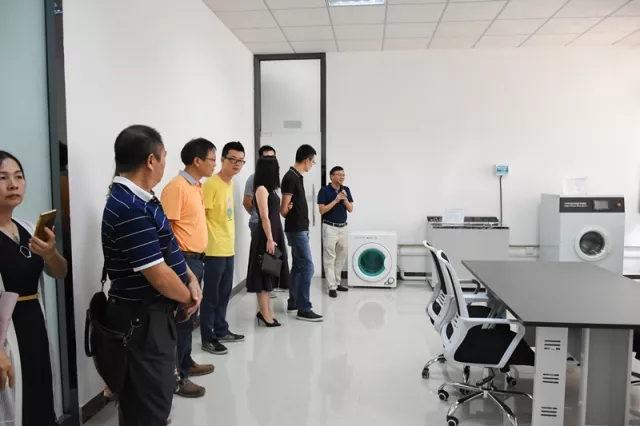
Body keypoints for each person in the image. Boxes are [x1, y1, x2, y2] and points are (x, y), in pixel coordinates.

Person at [101, 125, 201, 426]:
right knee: (147, 408)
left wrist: (190, 278)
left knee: (155, 398)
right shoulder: (130, 208)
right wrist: (189, 298)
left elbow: (168, 246)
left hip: (153, 317)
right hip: (141, 321)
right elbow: (157, 275)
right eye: (164, 156)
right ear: (150, 161)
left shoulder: (144, 200)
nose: (165, 163)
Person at [0, 150, 68, 426]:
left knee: (38, 396)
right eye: (2, 178)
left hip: (33, 324)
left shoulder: (28, 228)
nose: (13, 184)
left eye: (18, 177)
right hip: (6, 333)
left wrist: (50, 253)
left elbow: (60, 272)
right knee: (12, 406)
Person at [160, 138, 217, 398]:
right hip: (183, 260)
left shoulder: (196, 186)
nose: (214, 164)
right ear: (197, 161)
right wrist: (181, 266)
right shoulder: (176, 187)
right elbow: (166, 234)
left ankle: (186, 362)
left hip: (196, 260)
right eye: (212, 159)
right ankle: (178, 376)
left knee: (190, 316)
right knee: (181, 318)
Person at [201, 141, 246, 355]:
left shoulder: (230, 184)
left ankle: (220, 329)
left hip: (228, 248)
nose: (237, 164)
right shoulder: (211, 184)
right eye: (233, 159)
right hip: (213, 250)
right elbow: (201, 217)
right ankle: (207, 337)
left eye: (241, 161)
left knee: (224, 294)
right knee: (211, 296)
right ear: (222, 159)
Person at [245, 157, 291, 326]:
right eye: (276, 168)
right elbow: (264, 217)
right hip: (266, 237)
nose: (278, 172)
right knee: (263, 275)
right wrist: (270, 239)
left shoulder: (270, 190)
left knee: (270, 273)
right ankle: (264, 314)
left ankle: (266, 311)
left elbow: (272, 212)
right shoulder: (261, 189)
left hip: (274, 234)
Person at [281, 144, 323, 322]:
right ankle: (304, 308)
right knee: (308, 267)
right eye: (312, 162)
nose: (312, 165)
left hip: (300, 228)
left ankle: (293, 302)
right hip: (296, 229)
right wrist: (288, 208)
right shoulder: (290, 177)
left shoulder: (297, 176)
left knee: (299, 266)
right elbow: (283, 210)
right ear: (306, 160)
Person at [243, 146, 280, 299]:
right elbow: (247, 202)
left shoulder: (271, 184)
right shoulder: (257, 182)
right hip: (260, 224)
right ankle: (265, 294)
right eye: (268, 158)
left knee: (271, 263)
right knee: (263, 262)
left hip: (271, 226)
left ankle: (269, 289)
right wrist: (256, 215)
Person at [317, 166, 353, 298]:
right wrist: (336, 200)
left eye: (343, 175)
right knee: (329, 256)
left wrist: (345, 199)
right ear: (332, 176)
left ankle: (337, 283)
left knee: (341, 255)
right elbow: (322, 210)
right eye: (339, 174)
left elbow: (350, 209)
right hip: (329, 227)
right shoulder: (324, 190)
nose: (342, 177)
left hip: (343, 227)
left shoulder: (346, 189)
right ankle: (331, 286)